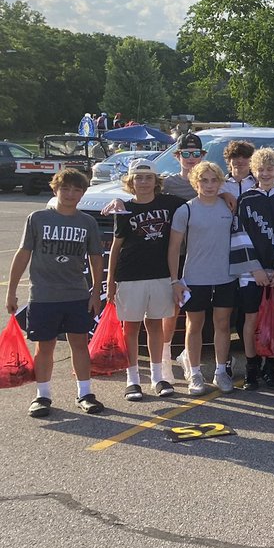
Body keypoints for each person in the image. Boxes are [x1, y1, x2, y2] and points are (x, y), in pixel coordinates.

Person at [7, 169, 105, 418]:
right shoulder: (37, 218)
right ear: (55, 189)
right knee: (45, 347)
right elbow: (23, 255)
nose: (70, 194)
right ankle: (43, 395)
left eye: (76, 190)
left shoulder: (87, 222)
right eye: (65, 189)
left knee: (80, 345)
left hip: (76, 294)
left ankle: (85, 393)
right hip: (43, 295)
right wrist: (11, 291)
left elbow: (95, 258)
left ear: (82, 194)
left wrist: (95, 292)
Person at [106, 160, 185, 399]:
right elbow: (116, 247)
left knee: (155, 325)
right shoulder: (123, 209)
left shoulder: (170, 203)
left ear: (156, 181)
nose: (143, 182)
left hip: (160, 274)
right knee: (130, 327)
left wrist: (223, 194)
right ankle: (132, 379)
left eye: (148, 177)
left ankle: (158, 377)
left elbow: (198, 198)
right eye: (138, 178)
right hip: (130, 275)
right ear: (130, 182)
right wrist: (110, 281)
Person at [229, 147, 274, 391]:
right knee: (251, 318)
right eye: (261, 169)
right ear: (254, 170)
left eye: (270, 169)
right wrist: (255, 269)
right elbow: (239, 234)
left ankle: (271, 367)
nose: (266, 173)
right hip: (252, 272)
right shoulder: (246, 199)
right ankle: (252, 369)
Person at [168, 161, 238, 395]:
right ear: (195, 183)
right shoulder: (185, 209)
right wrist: (175, 280)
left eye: (213, 180)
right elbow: (173, 248)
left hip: (225, 277)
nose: (209, 185)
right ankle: (195, 374)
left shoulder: (229, 206)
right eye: (203, 180)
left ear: (220, 182)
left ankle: (220, 371)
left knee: (222, 324)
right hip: (194, 278)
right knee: (194, 325)